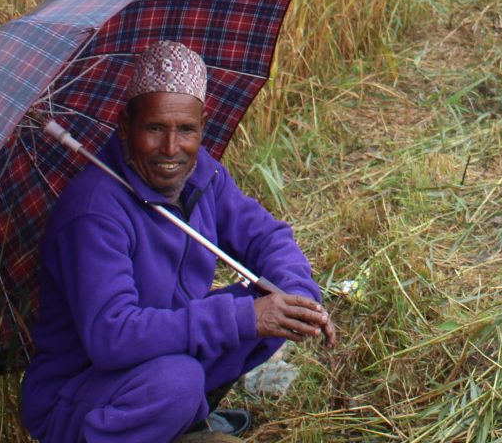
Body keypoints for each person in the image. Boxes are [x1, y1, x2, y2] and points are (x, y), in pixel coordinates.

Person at [20, 41, 337, 443]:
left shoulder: (203, 173)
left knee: (269, 306)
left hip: (154, 360)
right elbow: (112, 338)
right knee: (180, 379)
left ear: (202, 126)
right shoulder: (93, 212)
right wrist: (246, 317)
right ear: (124, 126)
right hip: (81, 394)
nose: (171, 149)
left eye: (186, 130)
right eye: (154, 129)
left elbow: (266, 235)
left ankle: (180, 422)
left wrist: (297, 295)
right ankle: (151, 422)